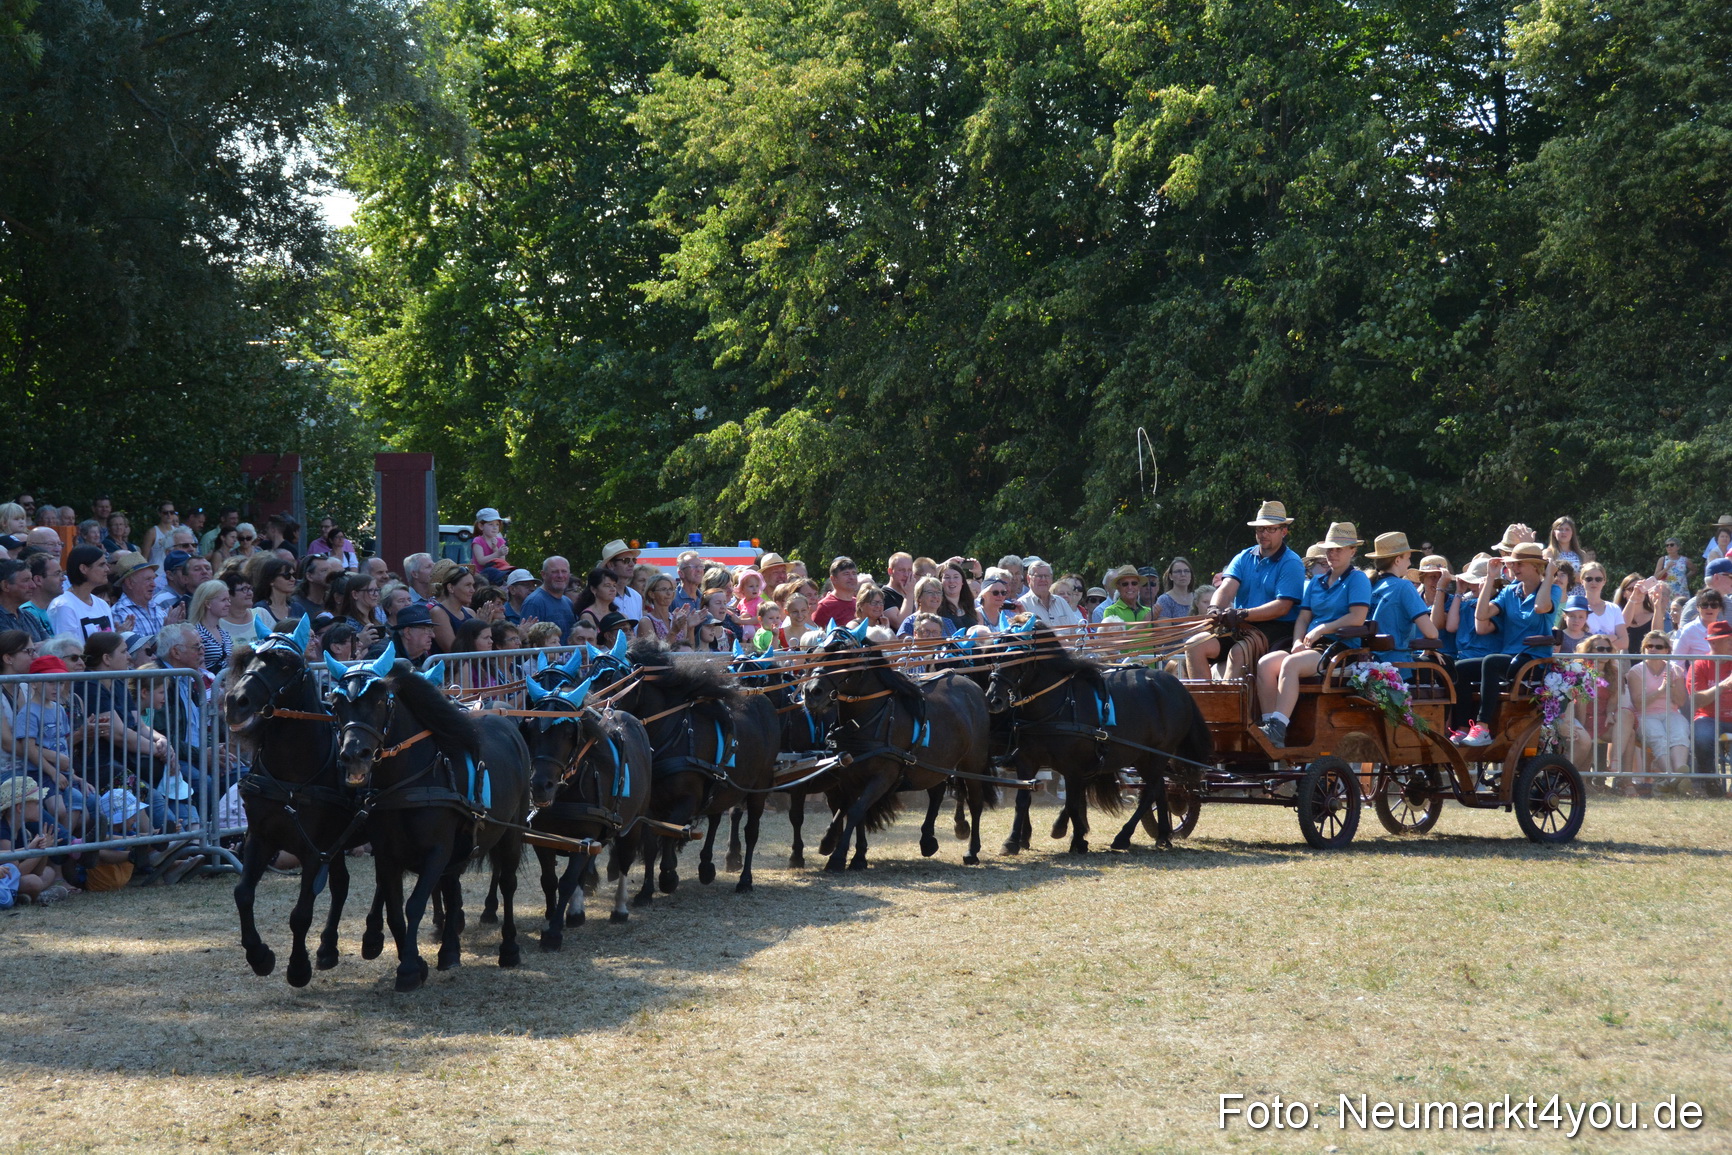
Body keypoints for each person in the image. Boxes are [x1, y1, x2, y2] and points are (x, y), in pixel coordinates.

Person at [1254, 523, 1371, 747]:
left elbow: (1357, 617)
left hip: (1342, 648)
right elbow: (1303, 618)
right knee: (1265, 663)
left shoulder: (1358, 580)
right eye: (1330, 549)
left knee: (1291, 664)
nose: (1333, 553)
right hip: (1313, 647)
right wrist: (1298, 641)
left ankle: (1278, 728)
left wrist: (1323, 629)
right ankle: (1270, 725)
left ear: (1352, 551)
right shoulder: (1316, 582)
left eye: (1339, 549)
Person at [1185, 500, 1305, 680]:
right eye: (1259, 529)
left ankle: (1231, 706)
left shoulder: (1291, 562)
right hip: (1242, 625)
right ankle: (1205, 705)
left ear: (1284, 531)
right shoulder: (1243, 557)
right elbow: (1226, 590)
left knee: (1238, 652)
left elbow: (1282, 607)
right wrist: (1214, 608)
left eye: (1270, 529)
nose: (1264, 533)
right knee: (1194, 645)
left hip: (1277, 627)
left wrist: (1243, 614)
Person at [1459, 542, 1562, 746]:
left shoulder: (1553, 590)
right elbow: (1481, 615)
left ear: (1536, 567)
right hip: (1510, 660)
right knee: (1458, 669)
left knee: (1491, 662)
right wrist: (1490, 578)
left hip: (1533, 662)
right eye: (1513, 563)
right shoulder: (1510, 591)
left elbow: (1541, 607)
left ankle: (1483, 727)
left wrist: (1549, 575)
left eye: (1520, 564)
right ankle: (1463, 728)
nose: (1514, 568)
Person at [1629, 630, 1691, 795]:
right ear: (1644, 649)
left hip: (1671, 713)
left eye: (1658, 646)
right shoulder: (1636, 671)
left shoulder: (1675, 670)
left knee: (1680, 732)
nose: (1653, 649)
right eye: (1649, 646)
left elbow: (1681, 701)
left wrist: (1672, 686)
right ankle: (1675, 778)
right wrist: (1661, 689)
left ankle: (1677, 773)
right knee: (1659, 737)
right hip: (1645, 715)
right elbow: (1638, 704)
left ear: (1667, 650)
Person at [1363, 533, 1439, 666]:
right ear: (1397, 560)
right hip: (1397, 666)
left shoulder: (1369, 584)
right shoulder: (1404, 586)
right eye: (1408, 558)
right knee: (1447, 665)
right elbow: (1431, 633)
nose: (1410, 563)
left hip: (1367, 664)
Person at [1687, 620, 1732, 795]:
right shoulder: (1699, 664)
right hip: (1708, 716)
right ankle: (1710, 781)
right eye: (1728, 639)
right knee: (1703, 736)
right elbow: (1697, 701)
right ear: (1713, 642)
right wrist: (1723, 686)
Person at [48, 545, 114, 641]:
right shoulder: (64, 606)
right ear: (83, 569)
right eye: (101, 565)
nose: (107, 569)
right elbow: (68, 652)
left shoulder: (102, 604)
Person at [428, 559, 478, 653]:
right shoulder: (438, 613)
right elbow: (453, 651)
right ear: (451, 588)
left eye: (473, 585)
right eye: (468, 585)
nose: (473, 590)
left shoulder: (470, 612)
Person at [522, 556, 575, 642]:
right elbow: (528, 641)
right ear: (543, 574)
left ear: (569, 574)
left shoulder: (568, 602)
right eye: (555, 572)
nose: (560, 576)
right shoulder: (534, 602)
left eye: (564, 571)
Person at [1576, 562, 1627, 651]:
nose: (1593, 582)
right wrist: (1609, 638)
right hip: (1585, 662)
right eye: (1589, 579)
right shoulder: (1577, 607)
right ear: (1582, 581)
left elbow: (1624, 642)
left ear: (1604, 581)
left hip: (1611, 663)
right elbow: (1574, 639)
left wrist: (1599, 649)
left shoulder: (1614, 608)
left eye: (1598, 579)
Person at [188, 579, 236, 673]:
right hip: (207, 685)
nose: (228, 604)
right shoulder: (195, 632)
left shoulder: (224, 633)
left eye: (228, 600)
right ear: (208, 604)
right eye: (223, 600)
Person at [1019, 559, 1083, 628]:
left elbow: (1075, 631)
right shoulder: (1022, 604)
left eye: (1046, 576)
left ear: (1051, 579)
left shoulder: (1061, 602)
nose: (1043, 579)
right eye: (1039, 576)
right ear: (1028, 579)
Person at [0, 559, 46, 643]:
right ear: (5, 586)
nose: (33, 585)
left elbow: (51, 646)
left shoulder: (29, 616)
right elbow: (14, 651)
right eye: (26, 580)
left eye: (31, 579)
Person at [638, 573, 690, 646]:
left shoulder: (677, 619)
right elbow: (655, 653)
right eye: (663, 589)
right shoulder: (646, 622)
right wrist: (673, 632)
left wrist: (691, 627)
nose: (669, 593)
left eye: (671, 589)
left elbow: (688, 648)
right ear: (651, 594)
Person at [598, 540, 644, 622]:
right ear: (610, 565)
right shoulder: (602, 595)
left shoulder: (636, 596)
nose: (632, 564)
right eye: (626, 560)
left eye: (634, 560)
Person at [1680, 558, 1732, 629]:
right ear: (1717, 577)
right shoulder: (1693, 605)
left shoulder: (1730, 603)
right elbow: (1683, 636)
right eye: (1731, 576)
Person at [812, 556, 862, 629]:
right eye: (846, 574)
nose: (852, 577)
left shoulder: (859, 604)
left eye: (854, 573)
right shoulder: (824, 607)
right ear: (834, 579)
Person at [1674, 588, 1722, 662]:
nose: (1709, 608)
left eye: (1714, 605)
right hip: (1696, 673)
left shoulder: (1726, 630)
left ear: (1720, 608)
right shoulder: (1688, 630)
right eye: (1704, 605)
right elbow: (1676, 661)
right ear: (1697, 607)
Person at [572, 565, 621, 635]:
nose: (613, 589)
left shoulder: (616, 613)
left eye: (614, 585)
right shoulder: (587, 616)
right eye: (607, 585)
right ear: (593, 589)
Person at [252, 556, 297, 626]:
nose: (293, 579)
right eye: (287, 575)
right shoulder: (260, 609)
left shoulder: (298, 608)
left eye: (294, 575)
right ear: (271, 580)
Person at [139, 502, 180, 567]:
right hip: (156, 572)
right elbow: (144, 557)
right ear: (159, 513)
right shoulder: (152, 532)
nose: (169, 515)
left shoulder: (177, 532)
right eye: (165, 513)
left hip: (173, 571)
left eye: (171, 512)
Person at [881, 552, 916, 627]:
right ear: (890, 571)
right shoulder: (884, 595)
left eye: (909, 570)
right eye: (901, 570)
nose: (906, 575)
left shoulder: (913, 593)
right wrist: (909, 594)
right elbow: (900, 624)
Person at [471, 507, 509, 576]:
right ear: (481, 526)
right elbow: (481, 561)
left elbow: (502, 561)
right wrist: (497, 553)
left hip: (497, 574)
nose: (495, 527)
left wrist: (495, 548)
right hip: (481, 576)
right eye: (491, 524)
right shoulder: (478, 541)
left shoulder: (500, 541)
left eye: (497, 524)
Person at [1656, 536, 1692, 605]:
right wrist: (1666, 568)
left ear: (1678, 547)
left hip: (1682, 592)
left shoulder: (1684, 560)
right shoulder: (1663, 559)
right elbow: (1656, 576)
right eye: (1667, 545)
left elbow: (1694, 570)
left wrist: (1684, 577)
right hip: (1667, 592)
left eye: (1672, 545)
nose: (1669, 547)